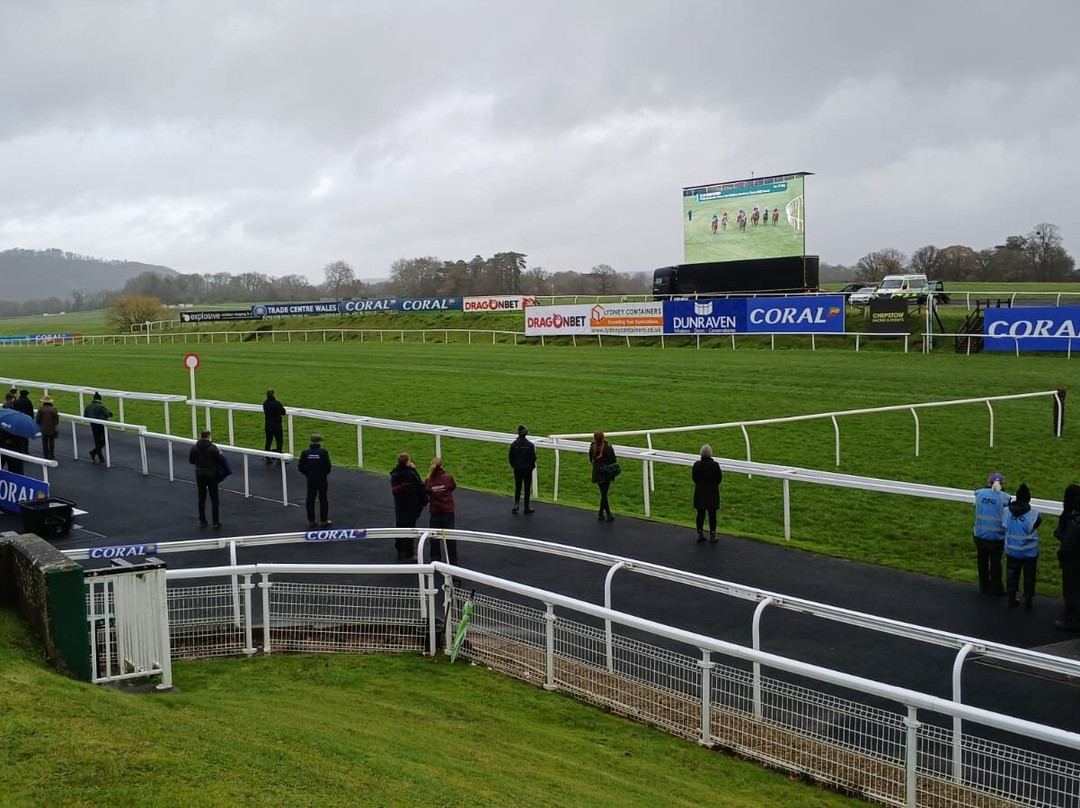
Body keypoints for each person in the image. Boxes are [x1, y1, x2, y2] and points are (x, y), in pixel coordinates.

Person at [1003, 483, 1041, 610]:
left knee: (1012, 574)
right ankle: (1028, 600)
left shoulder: (1006, 512)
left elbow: (1004, 525)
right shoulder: (1034, 515)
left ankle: (1011, 598)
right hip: (1029, 552)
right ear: (1028, 499)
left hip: (1012, 550)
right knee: (1029, 576)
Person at [973, 472, 1010, 596]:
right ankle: (997, 589)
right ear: (1002, 483)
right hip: (996, 537)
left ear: (989, 482)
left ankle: (984, 587)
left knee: (982, 562)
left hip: (980, 535)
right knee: (995, 564)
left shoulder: (980, 493)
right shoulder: (1005, 497)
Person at [390, 452, 428, 561]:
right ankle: (409, 553)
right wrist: (425, 500)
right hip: (411, 506)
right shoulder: (410, 474)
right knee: (410, 529)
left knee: (400, 526)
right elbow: (420, 485)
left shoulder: (395, 474)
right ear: (407, 462)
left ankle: (399, 549)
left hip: (400, 506)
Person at [1052, 484, 1080, 631]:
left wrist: (1061, 555)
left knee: (1071, 591)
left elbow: (1067, 545)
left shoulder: (1074, 523)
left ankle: (1071, 621)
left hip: (1072, 563)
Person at [425, 456, 458, 564]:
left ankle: (435, 559)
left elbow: (427, 491)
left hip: (435, 511)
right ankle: (453, 560)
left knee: (434, 537)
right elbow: (453, 487)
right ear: (442, 465)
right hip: (447, 511)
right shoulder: (448, 477)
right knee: (450, 536)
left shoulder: (429, 480)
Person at [189, 429, 222, 528]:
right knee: (214, 499)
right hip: (211, 475)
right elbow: (219, 460)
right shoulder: (212, 448)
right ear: (208, 436)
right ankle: (215, 522)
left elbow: (191, 461)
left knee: (201, 498)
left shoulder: (194, 448)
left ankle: (202, 520)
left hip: (199, 475)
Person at [297, 433, 332, 528]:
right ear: (319, 442)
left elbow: (300, 466)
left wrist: (308, 474)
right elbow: (328, 467)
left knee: (310, 500)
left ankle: (311, 521)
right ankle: (324, 520)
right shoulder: (323, 452)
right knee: (323, 499)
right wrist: (323, 473)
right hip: (322, 479)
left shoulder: (305, 452)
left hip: (311, 479)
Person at [692, 444, 723, 543]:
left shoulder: (697, 465)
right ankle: (713, 534)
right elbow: (719, 479)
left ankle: (700, 533)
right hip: (712, 493)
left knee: (700, 514)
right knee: (712, 515)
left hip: (700, 493)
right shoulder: (715, 465)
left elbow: (694, 478)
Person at [588, 430, 617, 523]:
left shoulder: (592, 447)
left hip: (598, 473)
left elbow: (590, 459)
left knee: (603, 493)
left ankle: (601, 514)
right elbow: (614, 460)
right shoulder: (608, 447)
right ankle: (608, 514)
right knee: (604, 494)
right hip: (607, 473)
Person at [508, 424, 536, 514]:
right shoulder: (530, 445)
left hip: (517, 469)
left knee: (518, 487)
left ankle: (516, 505)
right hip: (527, 470)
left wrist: (514, 466)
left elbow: (510, 458)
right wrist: (532, 467)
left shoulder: (514, 445)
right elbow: (533, 458)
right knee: (527, 488)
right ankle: (526, 507)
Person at [83, 392, 113, 463]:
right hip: (101, 425)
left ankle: (99, 457)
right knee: (105, 440)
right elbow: (108, 414)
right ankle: (94, 453)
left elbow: (85, 416)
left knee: (97, 440)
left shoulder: (88, 406)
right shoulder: (101, 406)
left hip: (93, 425)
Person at [262, 388, 287, 464]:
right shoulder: (277, 403)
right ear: (273, 395)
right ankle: (279, 459)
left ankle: (267, 458)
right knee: (279, 442)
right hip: (277, 425)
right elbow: (283, 412)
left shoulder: (265, 403)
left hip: (268, 425)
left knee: (268, 441)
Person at [35, 395, 60, 460]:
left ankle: (45, 455)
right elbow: (56, 420)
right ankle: (51, 455)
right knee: (52, 442)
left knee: (44, 442)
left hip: (43, 428)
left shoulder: (41, 409)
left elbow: (37, 419)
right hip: (52, 428)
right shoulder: (54, 409)